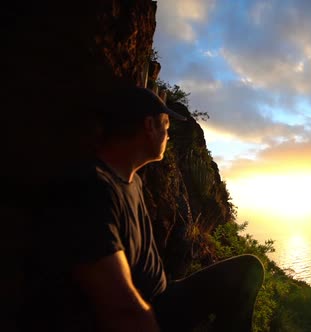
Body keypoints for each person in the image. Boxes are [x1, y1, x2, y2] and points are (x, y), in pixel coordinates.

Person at [24, 86, 264, 331]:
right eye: (167, 127)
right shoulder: (90, 190)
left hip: (163, 296)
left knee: (247, 270)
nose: (168, 136)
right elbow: (120, 307)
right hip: (146, 309)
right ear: (150, 126)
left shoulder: (132, 180)